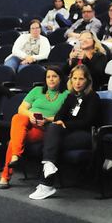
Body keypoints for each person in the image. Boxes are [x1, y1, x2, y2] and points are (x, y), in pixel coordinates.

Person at [29, 64, 100, 200]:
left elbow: (88, 121)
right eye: (74, 78)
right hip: (70, 132)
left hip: (86, 134)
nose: (77, 82)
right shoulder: (71, 96)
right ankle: (47, 177)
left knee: (52, 142)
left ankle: (46, 182)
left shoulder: (93, 97)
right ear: (70, 80)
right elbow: (59, 115)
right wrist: (61, 121)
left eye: (81, 79)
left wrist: (65, 123)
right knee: (54, 127)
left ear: (87, 81)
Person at [0, 67, 69, 189]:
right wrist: (31, 115)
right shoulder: (37, 90)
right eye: (48, 77)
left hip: (45, 129)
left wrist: (47, 119)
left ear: (60, 78)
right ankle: (15, 156)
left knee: (13, 142)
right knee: (18, 117)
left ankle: (6, 174)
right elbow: (21, 109)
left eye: (54, 76)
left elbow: (64, 116)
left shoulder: (66, 94)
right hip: (28, 123)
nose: (51, 79)